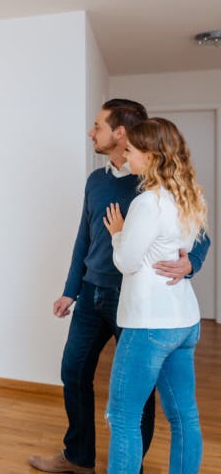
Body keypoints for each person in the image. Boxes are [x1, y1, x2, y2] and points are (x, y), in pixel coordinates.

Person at [29, 100, 210, 474]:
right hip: (93, 293)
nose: (91, 133)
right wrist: (70, 290)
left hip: (133, 302)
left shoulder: (152, 188)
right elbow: (84, 237)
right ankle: (78, 457)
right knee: (74, 373)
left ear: (121, 133)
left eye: (97, 126)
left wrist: (191, 263)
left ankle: (133, 464)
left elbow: (199, 236)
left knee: (132, 404)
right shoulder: (96, 181)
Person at [103, 118, 206, 473]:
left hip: (149, 324)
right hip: (184, 321)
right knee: (183, 416)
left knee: (123, 416)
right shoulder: (188, 198)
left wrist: (118, 233)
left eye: (130, 151)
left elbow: (126, 262)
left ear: (150, 155)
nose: (126, 157)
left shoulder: (148, 203)